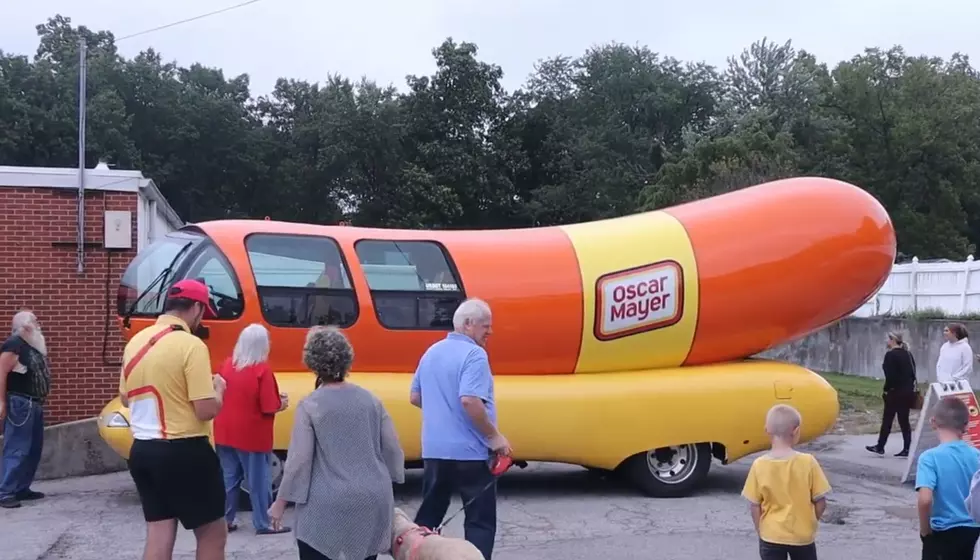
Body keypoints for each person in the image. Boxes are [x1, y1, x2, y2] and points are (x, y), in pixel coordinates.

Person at [268, 326, 405, 560]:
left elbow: (299, 460)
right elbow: (392, 447)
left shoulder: (311, 405)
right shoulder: (371, 400)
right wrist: (396, 476)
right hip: (372, 499)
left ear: (312, 362)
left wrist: (280, 502)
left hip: (326, 505)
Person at [120, 279, 229, 560]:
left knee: (159, 532)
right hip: (185, 449)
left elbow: (125, 398)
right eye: (203, 312)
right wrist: (218, 390)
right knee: (212, 533)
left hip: (143, 449)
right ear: (195, 308)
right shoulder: (190, 345)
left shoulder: (136, 342)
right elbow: (205, 409)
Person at [409, 298, 512, 560]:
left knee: (429, 516)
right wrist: (494, 437)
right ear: (468, 324)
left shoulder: (431, 351)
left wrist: (442, 414)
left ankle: (418, 555)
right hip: (470, 453)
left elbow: (415, 397)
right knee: (479, 521)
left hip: (434, 449)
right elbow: (469, 400)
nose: (490, 332)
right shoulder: (475, 354)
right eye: (485, 326)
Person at [213, 323, 291, 535]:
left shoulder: (227, 365)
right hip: (252, 435)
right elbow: (268, 406)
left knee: (229, 479)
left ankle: (225, 521)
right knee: (259, 480)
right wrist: (281, 403)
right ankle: (263, 522)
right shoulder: (262, 370)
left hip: (224, 431)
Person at [742, 404, 831, 560]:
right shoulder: (808, 462)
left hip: (771, 535)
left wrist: (760, 530)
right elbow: (821, 501)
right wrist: (810, 521)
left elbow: (755, 505)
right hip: (802, 536)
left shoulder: (759, 465)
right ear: (796, 431)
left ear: (766, 430)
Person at [0, 311, 52, 509]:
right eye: (34, 322)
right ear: (25, 326)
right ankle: (5, 491)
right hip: (20, 403)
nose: (38, 325)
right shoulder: (14, 345)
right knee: (17, 448)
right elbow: (1, 374)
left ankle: (21, 488)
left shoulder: (31, 345)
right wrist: (2, 403)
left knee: (32, 449)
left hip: (34, 403)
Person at [916, 396, 980, 559]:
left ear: (933, 422)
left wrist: (925, 531)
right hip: (973, 532)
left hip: (943, 533)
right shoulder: (977, 456)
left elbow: (925, 500)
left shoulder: (929, 458)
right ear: (966, 425)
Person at [866, 331, 918, 457]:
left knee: (887, 420)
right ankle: (907, 448)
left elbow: (891, 376)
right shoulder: (908, 354)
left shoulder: (890, 355)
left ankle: (880, 446)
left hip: (895, 393)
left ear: (893, 340)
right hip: (908, 391)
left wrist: (886, 389)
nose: (887, 342)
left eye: (888, 340)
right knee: (904, 421)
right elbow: (912, 374)